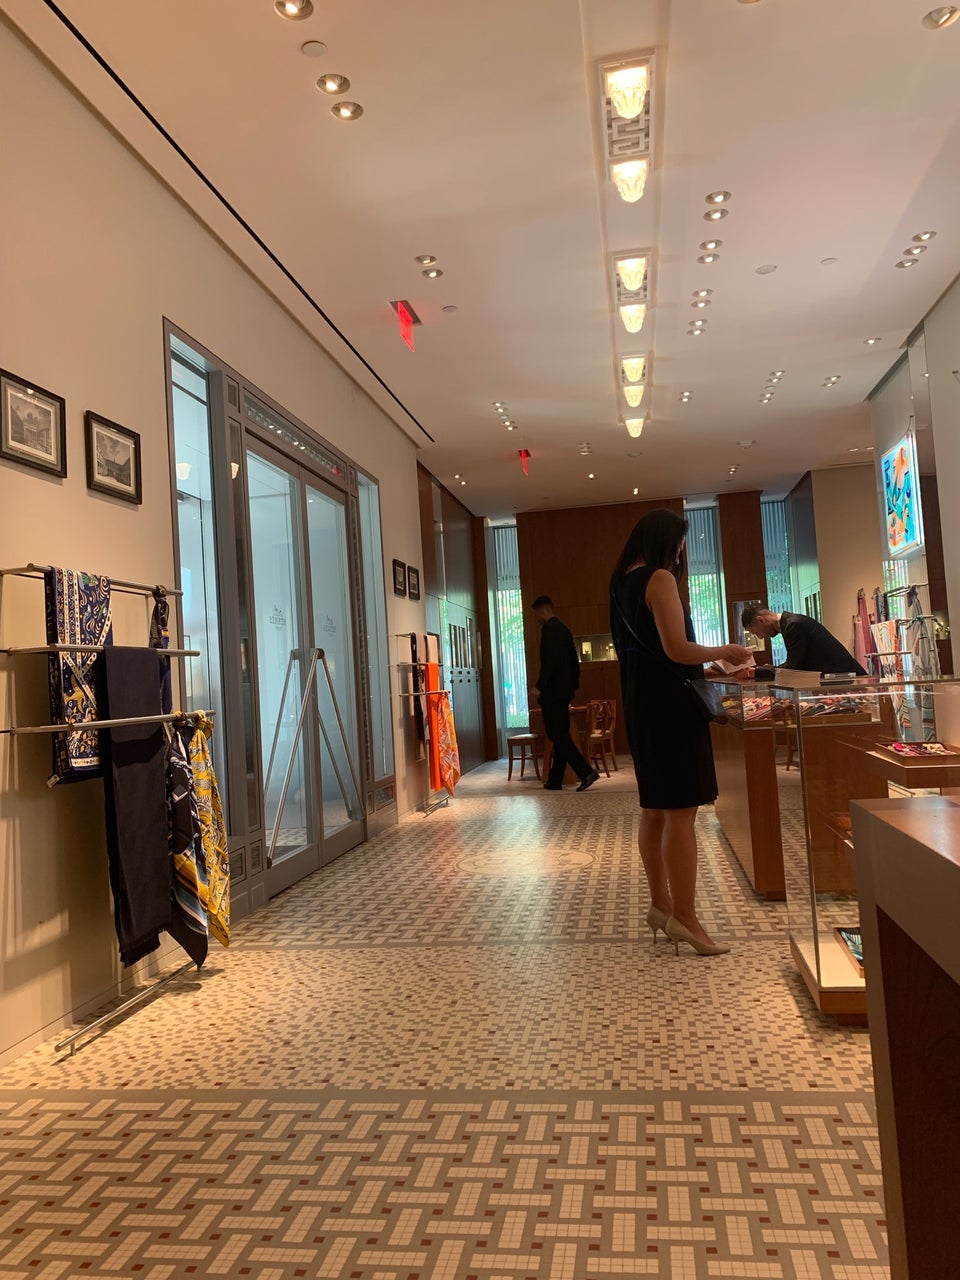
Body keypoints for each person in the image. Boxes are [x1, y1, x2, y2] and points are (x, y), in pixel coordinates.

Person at [610, 509, 753, 957]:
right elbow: (676, 648)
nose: (679, 556)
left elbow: (654, 656)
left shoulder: (619, 584)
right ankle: (686, 917)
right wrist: (726, 651)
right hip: (671, 713)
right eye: (679, 546)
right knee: (680, 813)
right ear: (665, 542)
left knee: (654, 809)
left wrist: (706, 668)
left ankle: (661, 905)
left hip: (641, 707)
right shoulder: (659, 579)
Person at [530, 595, 600, 792]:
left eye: (536, 614)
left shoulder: (548, 630)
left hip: (552, 692)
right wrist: (572, 687)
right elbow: (573, 661)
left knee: (557, 734)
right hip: (564, 691)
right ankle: (555, 779)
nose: (536, 618)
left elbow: (549, 662)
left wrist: (540, 686)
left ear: (542, 611)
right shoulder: (564, 630)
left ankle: (586, 772)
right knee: (559, 734)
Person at [740, 605, 866, 676]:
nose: (760, 637)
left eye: (756, 633)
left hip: (848, 681)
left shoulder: (794, 625)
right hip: (841, 680)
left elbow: (793, 669)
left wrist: (756, 672)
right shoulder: (790, 623)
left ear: (761, 620)